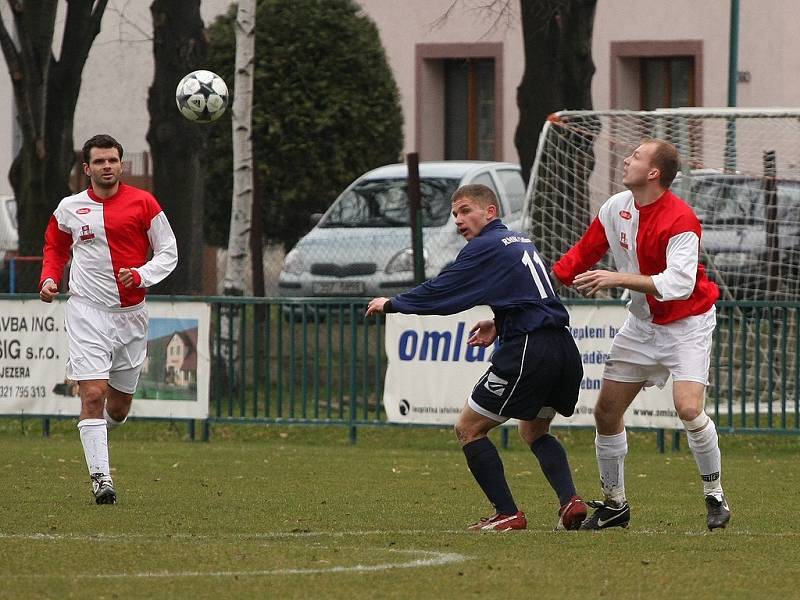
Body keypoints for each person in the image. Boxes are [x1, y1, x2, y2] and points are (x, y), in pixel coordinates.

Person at [366, 183, 587, 531]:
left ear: (490, 212)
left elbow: (443, 292)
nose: (458, 219)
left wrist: (392, 303)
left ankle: (507, 513)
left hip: (529, 349)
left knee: (468, 428)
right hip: (563, 348)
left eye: (465, 209)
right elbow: (531, 296)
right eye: (454, 213)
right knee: (534, 430)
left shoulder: (483, 247)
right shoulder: (520, 241)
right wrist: (499, 324)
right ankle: (570, 502)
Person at [551, 138, 730, 531]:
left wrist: (617, 278)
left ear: (653, 173)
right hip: (641, 325)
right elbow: (581, 254)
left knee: (687, 408)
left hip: (688, 324)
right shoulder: (615, 207)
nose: (626, 159)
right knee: (606, 412)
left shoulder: (681, 219)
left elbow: (679, 284)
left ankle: (714, 494)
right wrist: (543, 286)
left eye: (635, 156)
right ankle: (615, 505)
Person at [39, 134, 178, 505]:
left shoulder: (144, 203)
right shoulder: (70, 207)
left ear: (121, 164)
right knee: (93, 395)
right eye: (99, 161)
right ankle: (101, 478)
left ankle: (97, 429)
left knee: (117, 407)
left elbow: (169, 250)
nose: (106, 166)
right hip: (86, 311)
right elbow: (54, 247)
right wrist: (49, 277)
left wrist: (143, 275)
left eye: (112, 160)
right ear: (87, 168)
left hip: (131, 315)